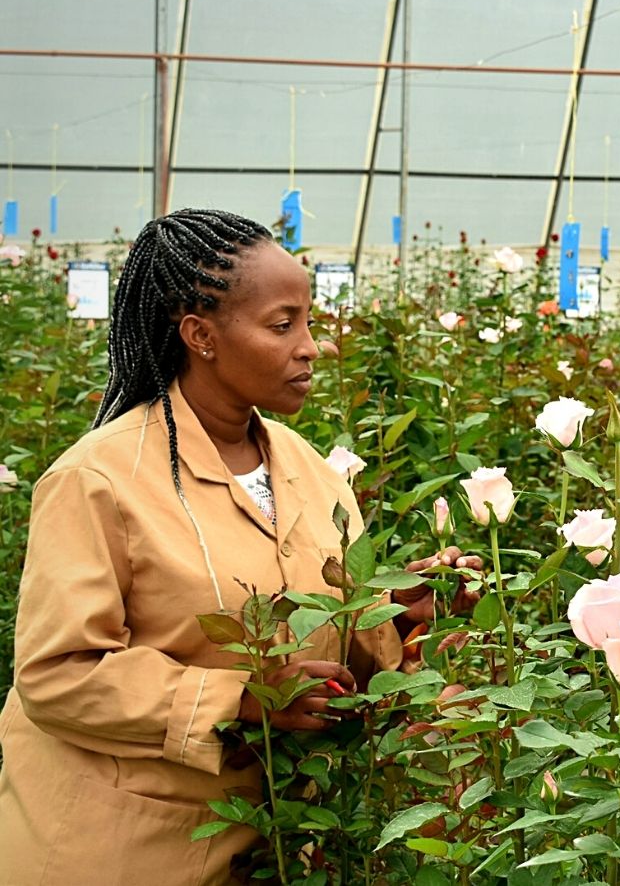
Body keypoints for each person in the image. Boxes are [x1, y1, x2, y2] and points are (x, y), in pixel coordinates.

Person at [0, 209, 477, 885]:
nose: (312, 346)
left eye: (309, 322)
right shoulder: (98, 480)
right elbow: (57, 675)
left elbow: (334, 655)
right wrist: (246, 698)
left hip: (269, 842)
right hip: (121, 849)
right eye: (283, 325)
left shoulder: (308, 472)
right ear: (200, 335)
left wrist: (402, 611)